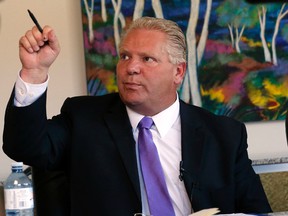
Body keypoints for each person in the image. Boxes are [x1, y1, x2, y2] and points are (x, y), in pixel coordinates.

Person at [3, 17, 271, 216]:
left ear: (178, 72)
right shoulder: (83, 118)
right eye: (125, 56)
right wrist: (35, 72)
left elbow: (257, 211)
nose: (131, 68)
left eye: (147, 59)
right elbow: (23, 146)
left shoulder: (224, 135)